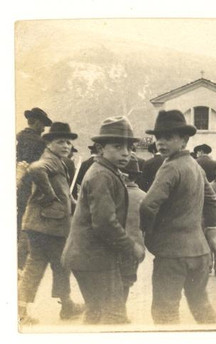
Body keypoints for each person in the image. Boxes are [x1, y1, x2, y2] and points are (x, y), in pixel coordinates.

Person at [139, 110, 216, 324]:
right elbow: (213, 201)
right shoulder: (195, 166)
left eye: (169, 137)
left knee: (165, 310)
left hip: (172, 255)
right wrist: (212, 234)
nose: (161, 142)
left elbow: (148, 205)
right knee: (201, 304)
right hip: (200, 253)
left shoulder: (170, 168)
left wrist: (148, 236)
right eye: (159, 137)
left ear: (184, 140)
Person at [62, 117, 146, 324]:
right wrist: (131, 247)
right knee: (114, 317)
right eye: (118, 146)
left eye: (128, 146)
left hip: (89, 256)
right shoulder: (102, 175)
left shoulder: (107, 171)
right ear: (100, 148)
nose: (126, 152)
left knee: (96, 313)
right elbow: (105, 223)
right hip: (94, 258)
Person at [18, 122, 86, 324]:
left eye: (68, 142)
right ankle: (67, 307)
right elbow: (36, 169)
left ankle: (21, 311)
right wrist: (50, 196)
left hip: (39, 223)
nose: (66, 146)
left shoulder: (57, 160)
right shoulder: (50, 160)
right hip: (50, 225)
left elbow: (63, 191)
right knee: (60, 264)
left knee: (36, 266)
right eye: (60, 142)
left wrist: (72, 202)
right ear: (49, 143)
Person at [17, 107, 52, 270]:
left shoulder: (16, 138)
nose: (44, 128)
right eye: (43, 124)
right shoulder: (40, 143)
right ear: (37, 122)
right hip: (31, 188)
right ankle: (22, 262)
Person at [120, 157, 147, 301]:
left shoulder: (113, 193)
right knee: (126, 282)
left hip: (112, 245)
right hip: (135, 246)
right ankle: (120, 311)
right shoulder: (144, 196)